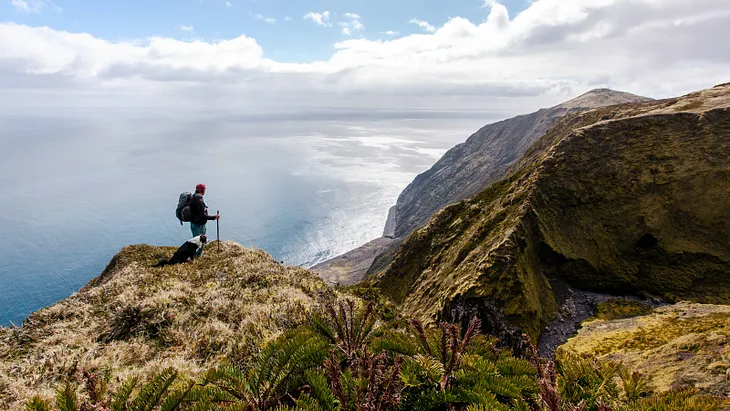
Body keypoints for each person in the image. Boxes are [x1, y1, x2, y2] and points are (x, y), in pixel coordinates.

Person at [189, 183, 220, 256]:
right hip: (199, 225)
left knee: (195, 241)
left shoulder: (193, 198)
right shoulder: (199, 201)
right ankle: (197, 256)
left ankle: (193, 255)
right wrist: (214, 217)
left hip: (193, 223)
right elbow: (203, 216)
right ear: (203, 190)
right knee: (201, 242)